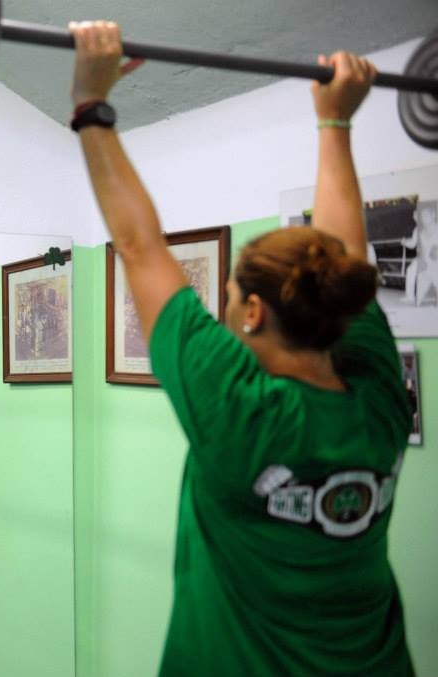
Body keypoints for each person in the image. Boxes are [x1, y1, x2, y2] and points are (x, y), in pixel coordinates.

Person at [70, 22, 413, 676]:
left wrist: (91, 103)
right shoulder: (377, 400)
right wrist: (333, 125)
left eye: (226, 297)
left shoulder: (240, 411)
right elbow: (341, 253)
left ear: (253, 312)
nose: (222, 310)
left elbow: (141, 247)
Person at [400, 201, 438, 305]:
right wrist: (405, 242)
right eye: (422, 216)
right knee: (411, 270)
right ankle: (410, 296)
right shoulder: (418, 230)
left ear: (433, 215)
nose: (423, 218)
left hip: (435, 261)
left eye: (426, 215)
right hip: (423, 259)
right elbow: (412, 244)